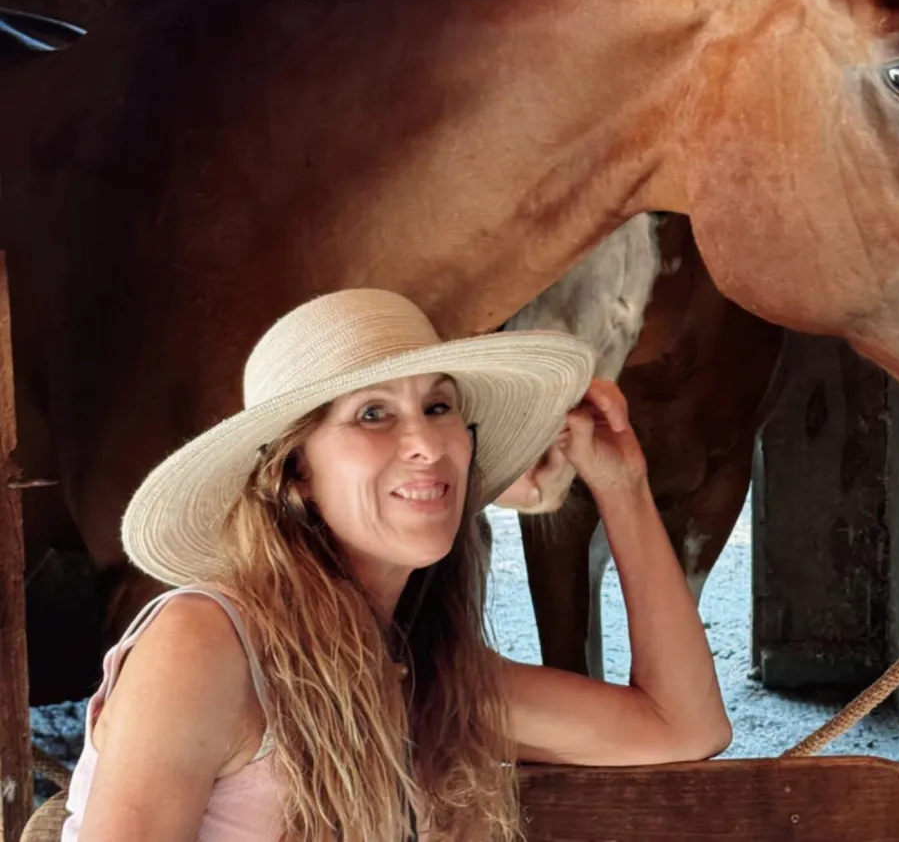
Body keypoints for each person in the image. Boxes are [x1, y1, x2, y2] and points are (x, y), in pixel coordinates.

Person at [62, 288, 731, 842]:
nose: (425, 443)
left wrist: (622, 486)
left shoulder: (423, 675)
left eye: (438, 406)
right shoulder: (206, 646)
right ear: (297, 473)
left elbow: (684, 724)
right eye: (373, 413)